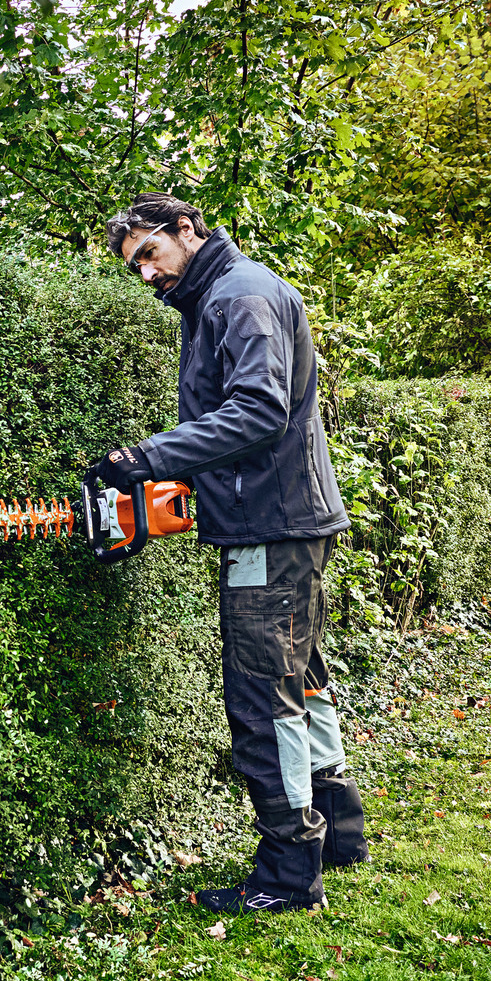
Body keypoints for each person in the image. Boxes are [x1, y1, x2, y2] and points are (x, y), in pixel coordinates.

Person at [91, 193, 366, 913]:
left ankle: (285, 872)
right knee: (301, 679)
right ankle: (338, 831)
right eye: (134, 266)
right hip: (286, 516)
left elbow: (256, 410)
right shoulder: (228, 292)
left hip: (267, 528)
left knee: (260, 694)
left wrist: (146, 457)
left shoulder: (237, 295)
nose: (145, 274)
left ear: (187, 229)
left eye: (149, 254)